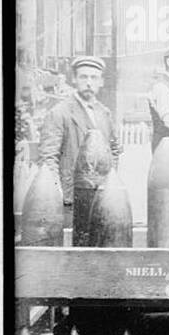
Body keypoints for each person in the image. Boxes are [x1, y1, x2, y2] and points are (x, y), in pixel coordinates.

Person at [38, 55, 122, 239]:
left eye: (94, 78)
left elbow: (114, 149)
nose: (89, 83)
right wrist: (58, 192)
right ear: (74, 80)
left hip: (100, 197)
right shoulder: (60, 113)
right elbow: (48, 157)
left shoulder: (104, 113)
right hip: (71, 198)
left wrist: (108, 179)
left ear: (101, 82)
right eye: (83, 77)